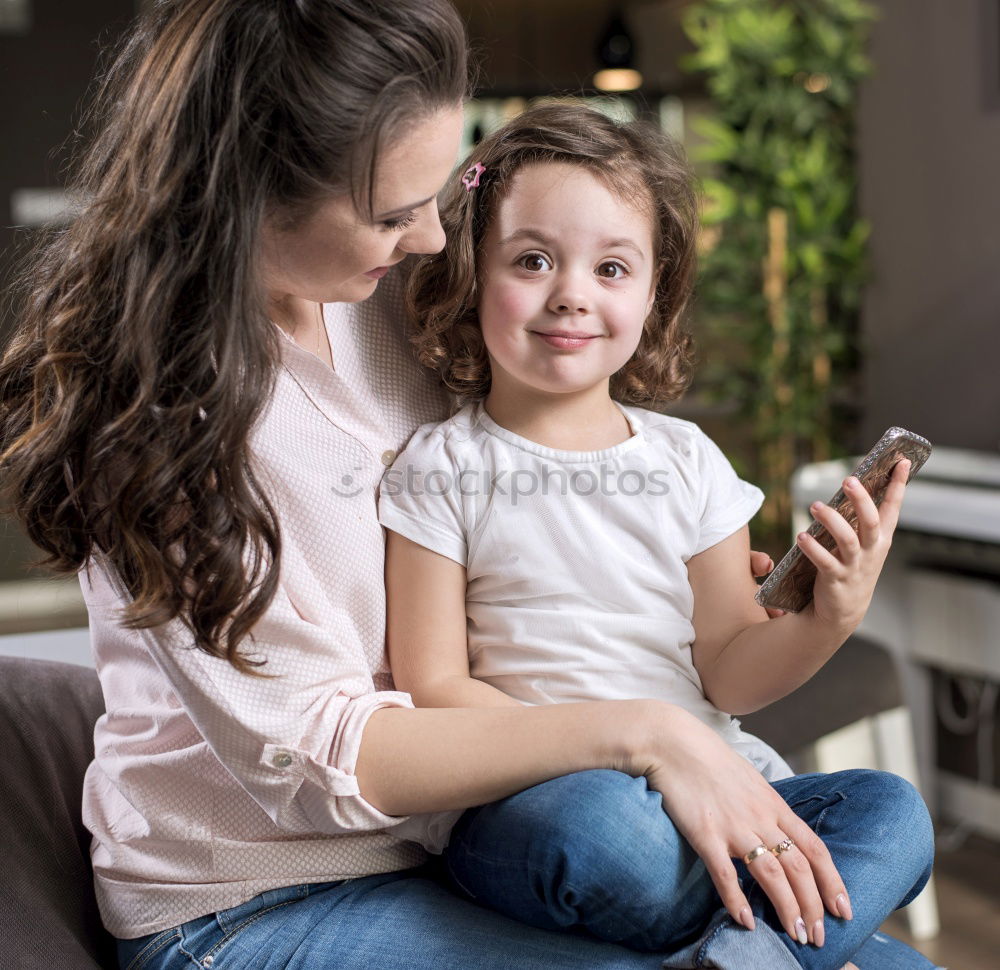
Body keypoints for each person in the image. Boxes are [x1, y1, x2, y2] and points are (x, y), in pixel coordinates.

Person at [0, 1, 934, 968]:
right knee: (651, 873)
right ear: (253, 191)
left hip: (460, 839)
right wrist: (646, 733)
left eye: (439, 199)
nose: (431, 245)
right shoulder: (155, 422)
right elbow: (322, 758)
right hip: (262, 893)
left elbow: (551, 442)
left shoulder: (397, 292)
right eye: (393, 213)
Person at [378, 103, 936, 970]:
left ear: (653, 292)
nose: (572, 292)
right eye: (532, 260)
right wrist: (612, 741)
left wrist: (830, 615)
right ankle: (793, 945)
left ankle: (747, 958)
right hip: (538, 799)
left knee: (897, 813)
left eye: (611, 267)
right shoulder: (439, 466)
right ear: (471, 274)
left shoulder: (688, 462)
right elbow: (434, 687)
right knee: (601, 831)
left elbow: (731, 673)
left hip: (714, 785)